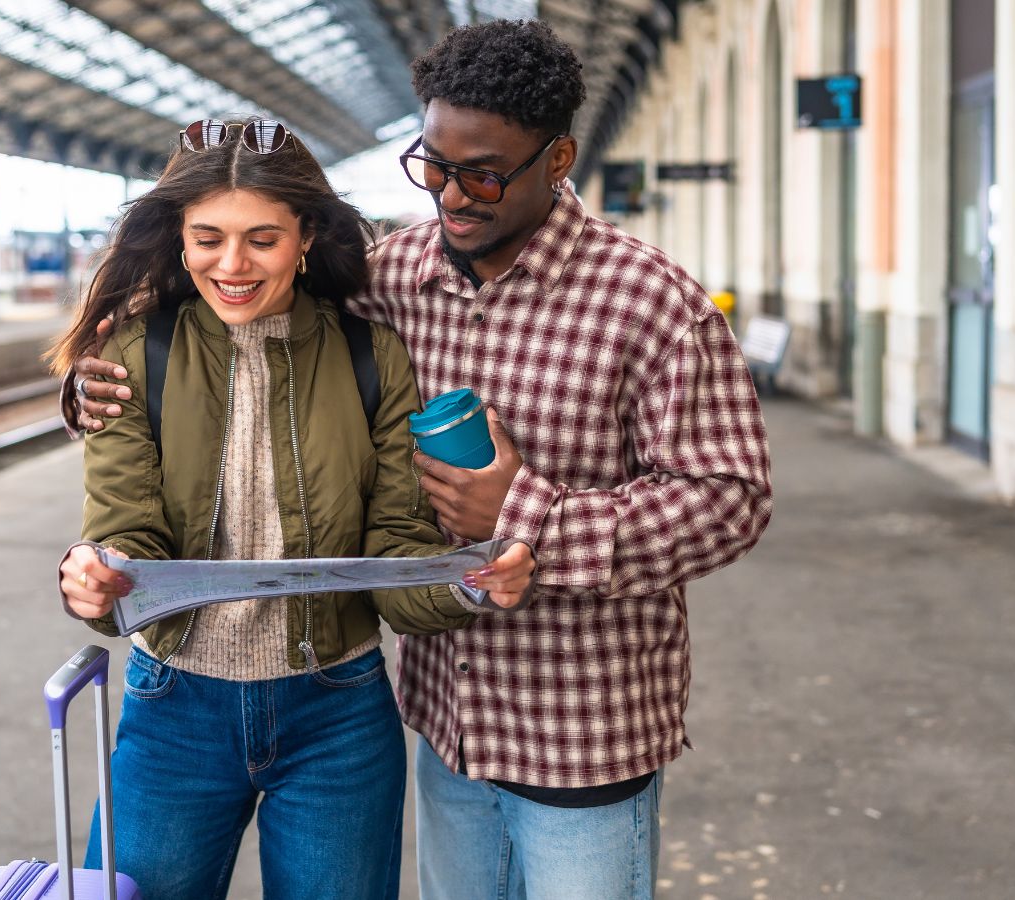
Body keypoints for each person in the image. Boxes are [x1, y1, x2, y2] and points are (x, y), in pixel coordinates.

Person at [67, 21, 773, 900]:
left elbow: (732, 500)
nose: (451, 195)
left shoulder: (653, 302)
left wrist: (530, 520)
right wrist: (90, 381)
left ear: (559, 161)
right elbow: (237, 300)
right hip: (448, 722)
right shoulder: (389, 276)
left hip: (584, 726)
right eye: (431, 165)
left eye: (482, 173)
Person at [49, 117, 537, 900]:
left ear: (306, 235)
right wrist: (98, 577)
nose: (231, 264)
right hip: (174, 709)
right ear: (177, 236)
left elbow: (396, 547)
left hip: (337, 715)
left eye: (261, 239)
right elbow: (123, 530)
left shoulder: (371, 356)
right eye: (207, 237)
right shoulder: (133, 355)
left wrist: (467, 583)